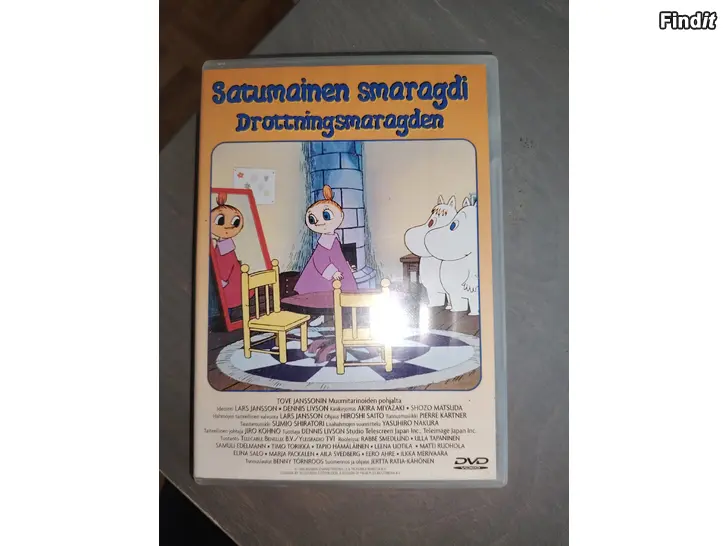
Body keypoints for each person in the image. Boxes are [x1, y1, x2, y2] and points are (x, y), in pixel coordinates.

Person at [294, 185, 357, 295]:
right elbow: (320, 261)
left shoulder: (333, 238)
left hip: (336, 272)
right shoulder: (324, 242)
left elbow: (337, 257)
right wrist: (333, 273)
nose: (319, 223)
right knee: (329, 296)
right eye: (312, 219)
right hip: (322, 279)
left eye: (326, 215)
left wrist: (345, 267)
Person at [210, 192, 244, 320]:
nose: (229, 227)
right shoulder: (221, 244)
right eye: (221, 221)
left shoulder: (226, 246)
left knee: (229, 305)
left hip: (229, 284)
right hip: (228, 283)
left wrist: (221, 281)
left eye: (235, 222)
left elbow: (226, 266)